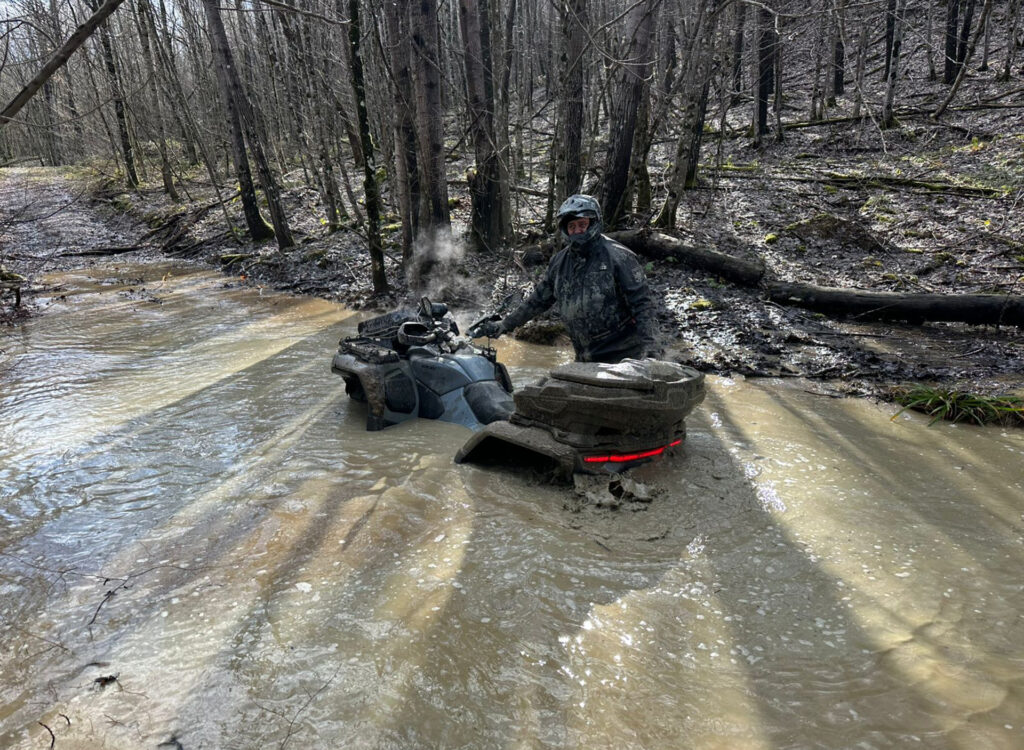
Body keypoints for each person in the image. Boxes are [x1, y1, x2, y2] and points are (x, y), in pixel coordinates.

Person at [473, 194, 662, 363]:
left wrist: (652, 352)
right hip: (585, 358)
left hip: (624, 357)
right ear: (565, 229)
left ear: (594, 223)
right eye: (572, 226)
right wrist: (504, 325)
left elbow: (643, 305)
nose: (577, 230)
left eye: (582, 224)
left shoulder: (619, 257)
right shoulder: (559, 262)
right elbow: (538, 300)